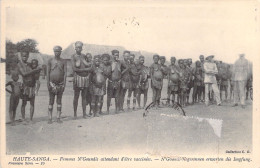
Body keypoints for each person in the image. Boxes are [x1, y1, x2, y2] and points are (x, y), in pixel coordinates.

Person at [18, 51, 42, 123]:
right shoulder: (19, 65)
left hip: (32, 86)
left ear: (28, 56)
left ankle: (31, 119)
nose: (24, 57)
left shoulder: (29, 64)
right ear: (21, 56)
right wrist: (35, 70)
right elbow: (24, 74)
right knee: (24, 103)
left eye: (26, 56)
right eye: (23, 56)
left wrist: (38, 69)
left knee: (32, 103)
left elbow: (36, 67)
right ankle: (23, 118)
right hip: (25, 87)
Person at [71, 41, 92, 119]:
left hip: (85, 79)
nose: (79, 48)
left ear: (82, 48)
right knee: (76, 97)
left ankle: (84, 114)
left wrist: (85, 69)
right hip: (77, 78)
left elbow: (90, 66)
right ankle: (75, 114)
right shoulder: (73, 56)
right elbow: (74, 68)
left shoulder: (84, 56)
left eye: (80, 47)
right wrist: (85, 70)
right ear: (75, 48)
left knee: (84, 97)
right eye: (77, 47)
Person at [47, 46, 67, 124]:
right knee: (51, 101)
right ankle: (50, 118)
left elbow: (65, 74)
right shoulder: (50, 60)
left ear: (60, 52)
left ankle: (58, 117)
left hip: (60, 84)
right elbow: (48, 73)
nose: (56, 53)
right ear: (53, 51)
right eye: (55, 51)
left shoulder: (63, 61)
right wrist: (48, 84)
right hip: (52, 84)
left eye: (58, 51)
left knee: (59, 101)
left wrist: (64, 85)